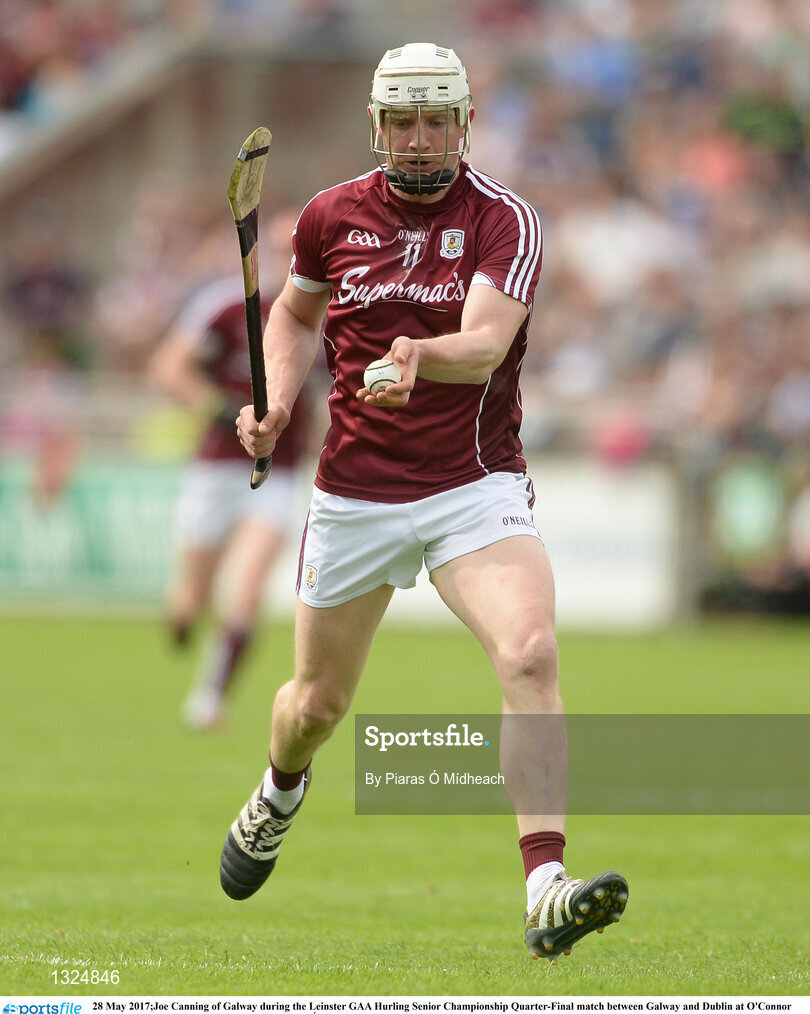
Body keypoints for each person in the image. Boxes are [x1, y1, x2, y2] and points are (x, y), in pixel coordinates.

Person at [220, 43, 628, 960]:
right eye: (401, 120)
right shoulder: (331, 215)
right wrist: (279, 402)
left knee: (530, 653)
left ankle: (545, 885)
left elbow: (483, 345)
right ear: (376, 124)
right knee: (315, 707)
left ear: (467, 122)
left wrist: (414, 353)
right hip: (355, 492)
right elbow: (292, 314)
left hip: (471, 487)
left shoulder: (505, 220)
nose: (418, 139)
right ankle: (281, 789)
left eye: (436, 119)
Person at [150, 208, 311, 730]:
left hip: (276, 468)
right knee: (191, 601)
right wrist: (218, 409)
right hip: (217, 466)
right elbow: (168, 368)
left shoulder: (327, 314)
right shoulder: (227, 305)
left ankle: (209, 698)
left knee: (246, 590)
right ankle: (182, 616)